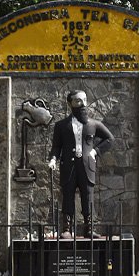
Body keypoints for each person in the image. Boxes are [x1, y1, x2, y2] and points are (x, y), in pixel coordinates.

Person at [48, 90, 114, 238]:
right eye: (78, 101)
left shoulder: (94, 124)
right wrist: (53, 159)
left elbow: (110, 139)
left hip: (87, 166)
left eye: (84, 100)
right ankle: (66, 229)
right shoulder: (61, 126)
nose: (82, 104)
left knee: (88, 196)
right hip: (68, 166)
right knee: (68, 195)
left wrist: (95, 151)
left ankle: (89, 228)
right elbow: (57, 146)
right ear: (70, 103)